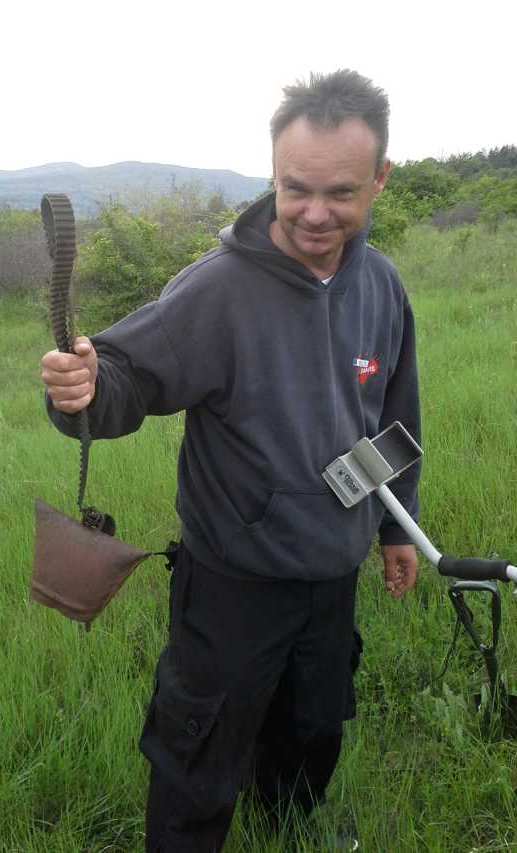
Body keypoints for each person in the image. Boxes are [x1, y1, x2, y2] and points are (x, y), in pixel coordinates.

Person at [41, 69, 420, 852]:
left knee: (313, 727)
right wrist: (80, 387)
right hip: (232, 585)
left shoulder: (381, 285)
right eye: (296, 188)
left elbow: (393, 417)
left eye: (341, 192)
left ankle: (289, 824)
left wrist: (391, 529)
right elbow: (124, 377)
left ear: (380, 178)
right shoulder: (216, 292)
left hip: (330, 577)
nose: (316, 213)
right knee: (199, 754)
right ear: (272, 173)